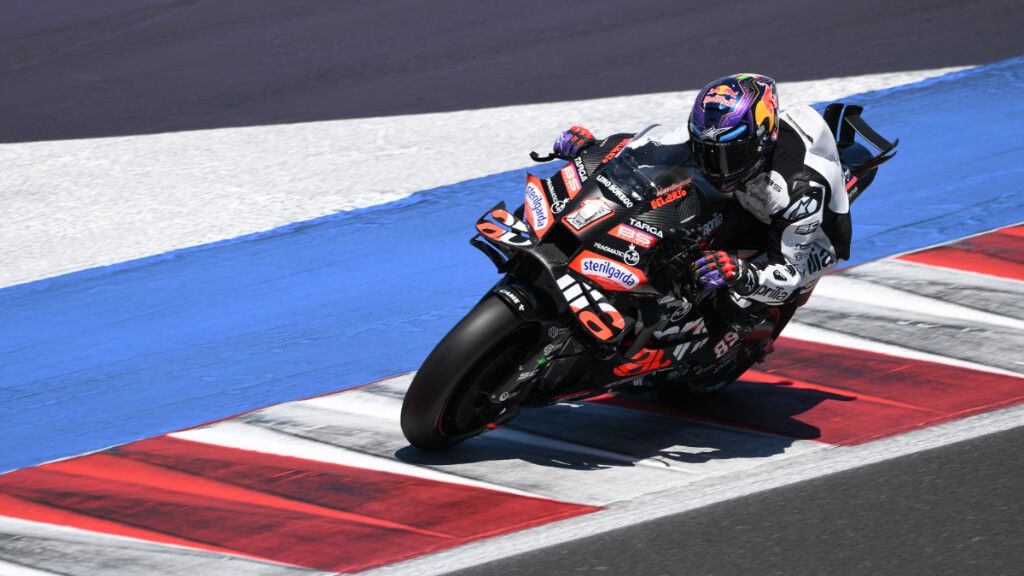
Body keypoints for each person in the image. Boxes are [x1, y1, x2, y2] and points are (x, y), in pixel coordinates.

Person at [551, 74, 851, 320]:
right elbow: (641, 150)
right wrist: (593, 149)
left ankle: (717, 348)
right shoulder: (708, 133)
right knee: (673, 207)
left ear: (764, 139)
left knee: (732, 306)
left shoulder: (800, 190)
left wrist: (743, 273)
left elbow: (790, 275)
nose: (716, 164)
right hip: (744, 193)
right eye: (706, 150)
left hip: (810, 235)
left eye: (732, 153)